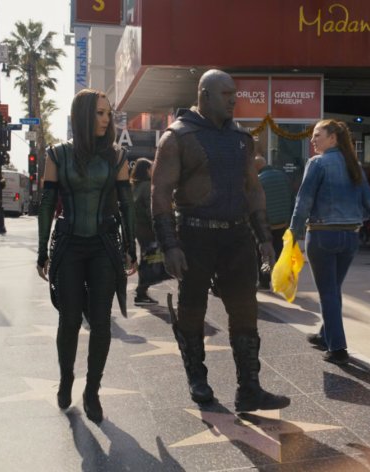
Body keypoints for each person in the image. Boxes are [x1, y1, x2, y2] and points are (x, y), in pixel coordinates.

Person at [151, 69, 290, 412]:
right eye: (226, 94)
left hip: (237, 236)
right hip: (194, 235)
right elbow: (160, 192)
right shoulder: (177, 137)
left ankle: (249, 389)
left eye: (234, 94)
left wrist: (265, 239)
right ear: (204, 95)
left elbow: (253, 190)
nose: (233, 100)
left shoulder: (242, 139)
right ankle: (197, 379)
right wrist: (169, 244)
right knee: (192, 309)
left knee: (246, 310)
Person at [36, 88, 137, 422]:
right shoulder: (57, 154)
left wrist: (130, 247)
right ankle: (66, 378)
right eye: (99, 113)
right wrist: (41, 250)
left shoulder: (117, 156)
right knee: (68, 319)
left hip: (104, 245)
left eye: (108, 113)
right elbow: (48, 204)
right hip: (68, 245)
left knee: (101, 322)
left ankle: (92, 390)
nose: (106, 119)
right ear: (82, 115)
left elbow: (126, 204)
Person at [290, 119, 370, 365]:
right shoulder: (353, 165)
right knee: (333, 289)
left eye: (317, 135)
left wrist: (292, 234)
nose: (313, 140)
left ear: (332, 138)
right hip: (350, 237)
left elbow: (303, 201)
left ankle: (337, 348)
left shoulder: (317, 163)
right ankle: (325, 334)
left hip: (322, 235)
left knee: (327, 292)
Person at [254, 154, 293, 290]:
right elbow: (291, 197)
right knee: (280, 252)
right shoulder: (282, 176)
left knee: (263, 254)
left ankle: (264, 282)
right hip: (282, 223)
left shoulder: (259, 180)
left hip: (265, 225)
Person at [130, 157, 158, 305]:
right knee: (149, 259)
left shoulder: (135, 185)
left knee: (146, 258)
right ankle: (141, 292)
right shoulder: (147, 185)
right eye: (151, 168)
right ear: (147, 170)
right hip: (147, 228)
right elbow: (150, 210)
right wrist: (158, 229)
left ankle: (142, 291)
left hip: (138, 227)